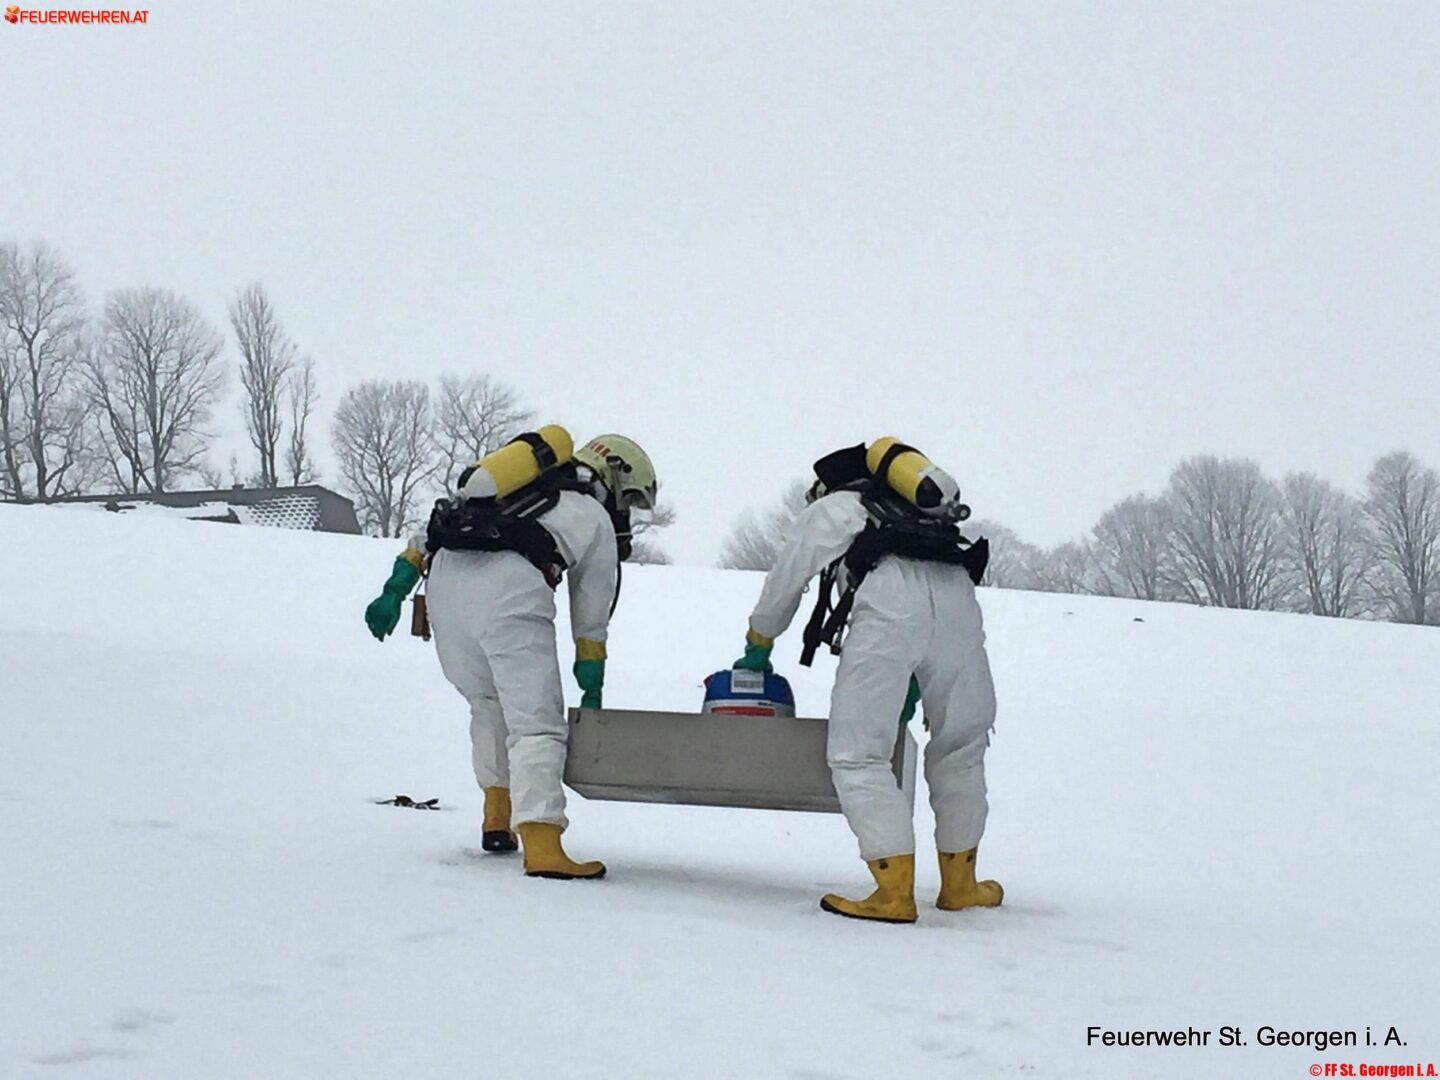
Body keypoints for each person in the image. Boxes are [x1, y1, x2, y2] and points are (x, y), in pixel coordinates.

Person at [365, 430, 657, 880]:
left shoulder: (507, 490)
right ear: (614, 479)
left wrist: (393, 591)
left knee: (487, 705)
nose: (627, 512)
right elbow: (592, 606)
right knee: (536, 723)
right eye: (630, 499)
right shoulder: (591, 515)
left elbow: (426, 535)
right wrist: (591, 668)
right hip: (511, 591)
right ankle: (541, 842)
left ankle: (496, 816)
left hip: (445, 589)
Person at [734, 440, 1001, 923]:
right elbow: (932, 614)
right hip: (959, 602)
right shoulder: (926, 516)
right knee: (961, 746)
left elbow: (786, 580)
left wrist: (760, 640)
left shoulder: (838, 507)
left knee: (858, 753)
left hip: (889, 606)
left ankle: (893, 890)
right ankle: (961, 884)